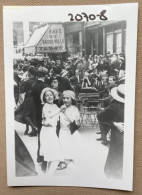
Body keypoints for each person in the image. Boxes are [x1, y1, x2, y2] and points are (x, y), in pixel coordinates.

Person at [97, 84, 125, 179]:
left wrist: (113, 123)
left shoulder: (115, 105)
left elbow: (100, 116)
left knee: (115, 153)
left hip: (118, 134)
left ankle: (112, 174)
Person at [39, 87, 63, 175]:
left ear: (54, 96)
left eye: (50, 95)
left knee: (51, 157)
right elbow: (48, 116)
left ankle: (48, 176)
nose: (49, 97)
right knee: (56, 156)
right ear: (44, 98)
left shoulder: (55, 106)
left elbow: (59, 118)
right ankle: (49, 177)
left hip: (52, 131)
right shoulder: (45, 106)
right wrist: (59, 110)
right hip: (47, 132)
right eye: (47, 96)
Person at [58, 90, 81, 171]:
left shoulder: (74, 109)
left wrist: (65, 113)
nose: (65, 100)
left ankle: (67, 161)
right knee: (62, 146)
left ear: (72, 99)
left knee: (69, 147)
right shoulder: (62, 107)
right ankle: (63, 160)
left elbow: (75, 122)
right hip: (62, 130)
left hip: (70, 132)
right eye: (64, 98)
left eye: (67, 98)